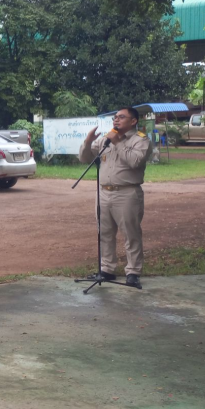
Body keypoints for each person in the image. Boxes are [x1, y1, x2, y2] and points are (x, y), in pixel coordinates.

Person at [80, 107, 154, 289]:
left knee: (131, 234)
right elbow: (85, 158)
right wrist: (88, 142)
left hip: (127, 193)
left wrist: (118, 143)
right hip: (103, 192)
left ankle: (133, 272)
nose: (116, 120)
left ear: (133, 121)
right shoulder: (106, 138)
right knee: (104, 233)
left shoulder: (140, 140)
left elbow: (135, 162)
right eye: (115, 117)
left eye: (121, 117)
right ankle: (106, 269)